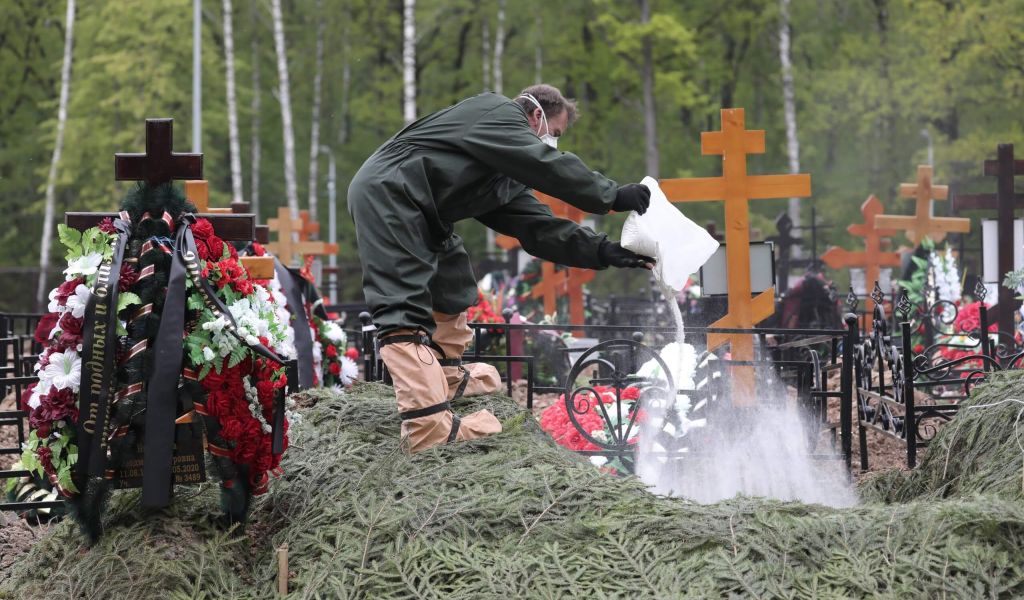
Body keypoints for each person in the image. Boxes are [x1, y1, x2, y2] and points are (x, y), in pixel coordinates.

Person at [347, 84, 655, 453]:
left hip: (423, 208)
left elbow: (538, 227)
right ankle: (427, 425)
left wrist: (605, 251)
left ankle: (445, 375)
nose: (551, 143)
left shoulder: (499, 169)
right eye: (554, 134)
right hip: (389, 193)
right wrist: (610, 195)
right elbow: (544, 163)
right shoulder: (495, 112)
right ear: (536, 115)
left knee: (453, 278)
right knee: (403, 304)